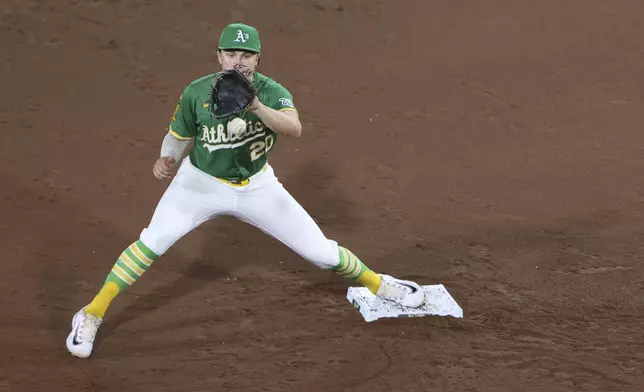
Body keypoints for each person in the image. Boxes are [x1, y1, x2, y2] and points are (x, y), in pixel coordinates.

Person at [66, 22, 425, 359]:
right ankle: (92, 313)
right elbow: (178, 136)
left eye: (246, 55)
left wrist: (255, 105)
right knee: (151, 243)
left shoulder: (272, 92)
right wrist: (167, 158)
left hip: (257, 187)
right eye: (231, 54)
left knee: (322, 254)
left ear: (257, 58)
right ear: (219, 56)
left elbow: (294, 128)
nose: (238, 61)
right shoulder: (196, 92)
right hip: (199, 184)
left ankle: (380, 285)